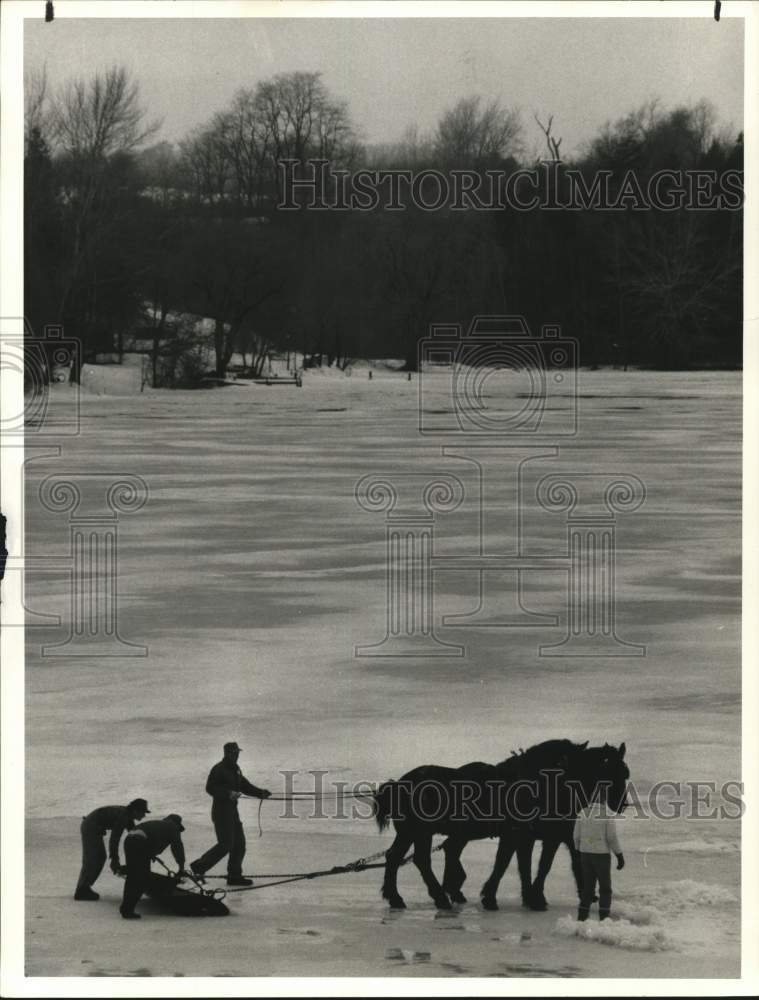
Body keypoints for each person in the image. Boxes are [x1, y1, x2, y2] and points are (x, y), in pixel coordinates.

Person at [190, 742, 271, 886]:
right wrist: (228, 793)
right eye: (234, 752)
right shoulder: (218, 769)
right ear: (227, 753)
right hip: (221, 812)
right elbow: (210, 788)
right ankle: (199, 866)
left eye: (238, 752)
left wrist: (261, 793)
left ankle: (234, 877)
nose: (237, 755)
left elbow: (245, 786)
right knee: (226, 844)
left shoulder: (236, 769)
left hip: (232, 813)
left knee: (239, 844)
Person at [74, 798, 150, 901]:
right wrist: (115, 859)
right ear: (136, 811)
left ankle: (84, 887)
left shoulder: (127, 815)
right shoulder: (123, 816)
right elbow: (115, 839)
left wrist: (147, 851)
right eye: (143, 812)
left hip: (93, 826)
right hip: (90, 826)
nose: (144, 816)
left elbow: (134, 835)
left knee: (99, 857)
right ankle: (82, 890)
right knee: (93, 858)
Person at [120, 813, 187, 920]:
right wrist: (181, 867)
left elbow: (149, 836)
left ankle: (126, 908)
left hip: (129, 840)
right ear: (177, 824)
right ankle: (127, 910)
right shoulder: (173, 827)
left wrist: (150, 853)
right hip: (140, 842)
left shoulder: (156, 824)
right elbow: (177, 847)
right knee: (141, 878)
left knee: (133, 875)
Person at [573, 785, 625, 921]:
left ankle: (582, 917)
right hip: (601, 856)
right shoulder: (607, 815)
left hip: (585, 855)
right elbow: (611, 838)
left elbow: (576, 836)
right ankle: (604, 917)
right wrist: (619, 855)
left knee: (587, 888)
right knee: (605, 888)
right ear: (604, 800)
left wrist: (579, 850)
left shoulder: (583, 812)